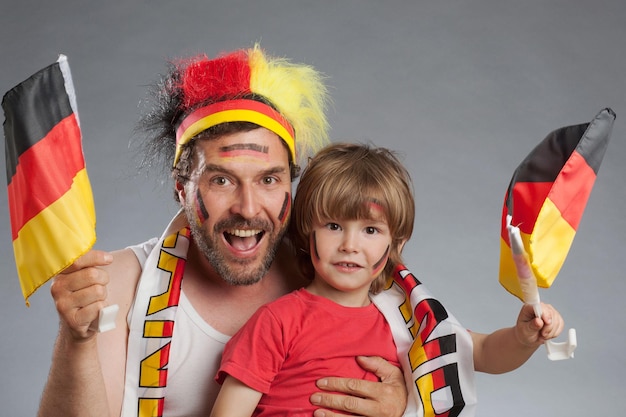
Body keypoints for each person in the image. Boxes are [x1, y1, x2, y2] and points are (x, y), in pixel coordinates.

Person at [36, 45, 408, 417]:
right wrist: (77, 342)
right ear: (181, 187)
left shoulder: (337, 266)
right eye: (221, 180)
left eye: (268, 179)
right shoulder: (118, 283)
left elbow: (435, 360)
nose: (247, 208)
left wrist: (407, 404)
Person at [209, 143, 566, 417]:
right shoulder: (278, 321)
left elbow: (485, 353)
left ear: (396, 243)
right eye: (333, 226)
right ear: (307, 231)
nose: (350, 245)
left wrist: (523, 338)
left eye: (370, 230)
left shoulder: (404, 319)